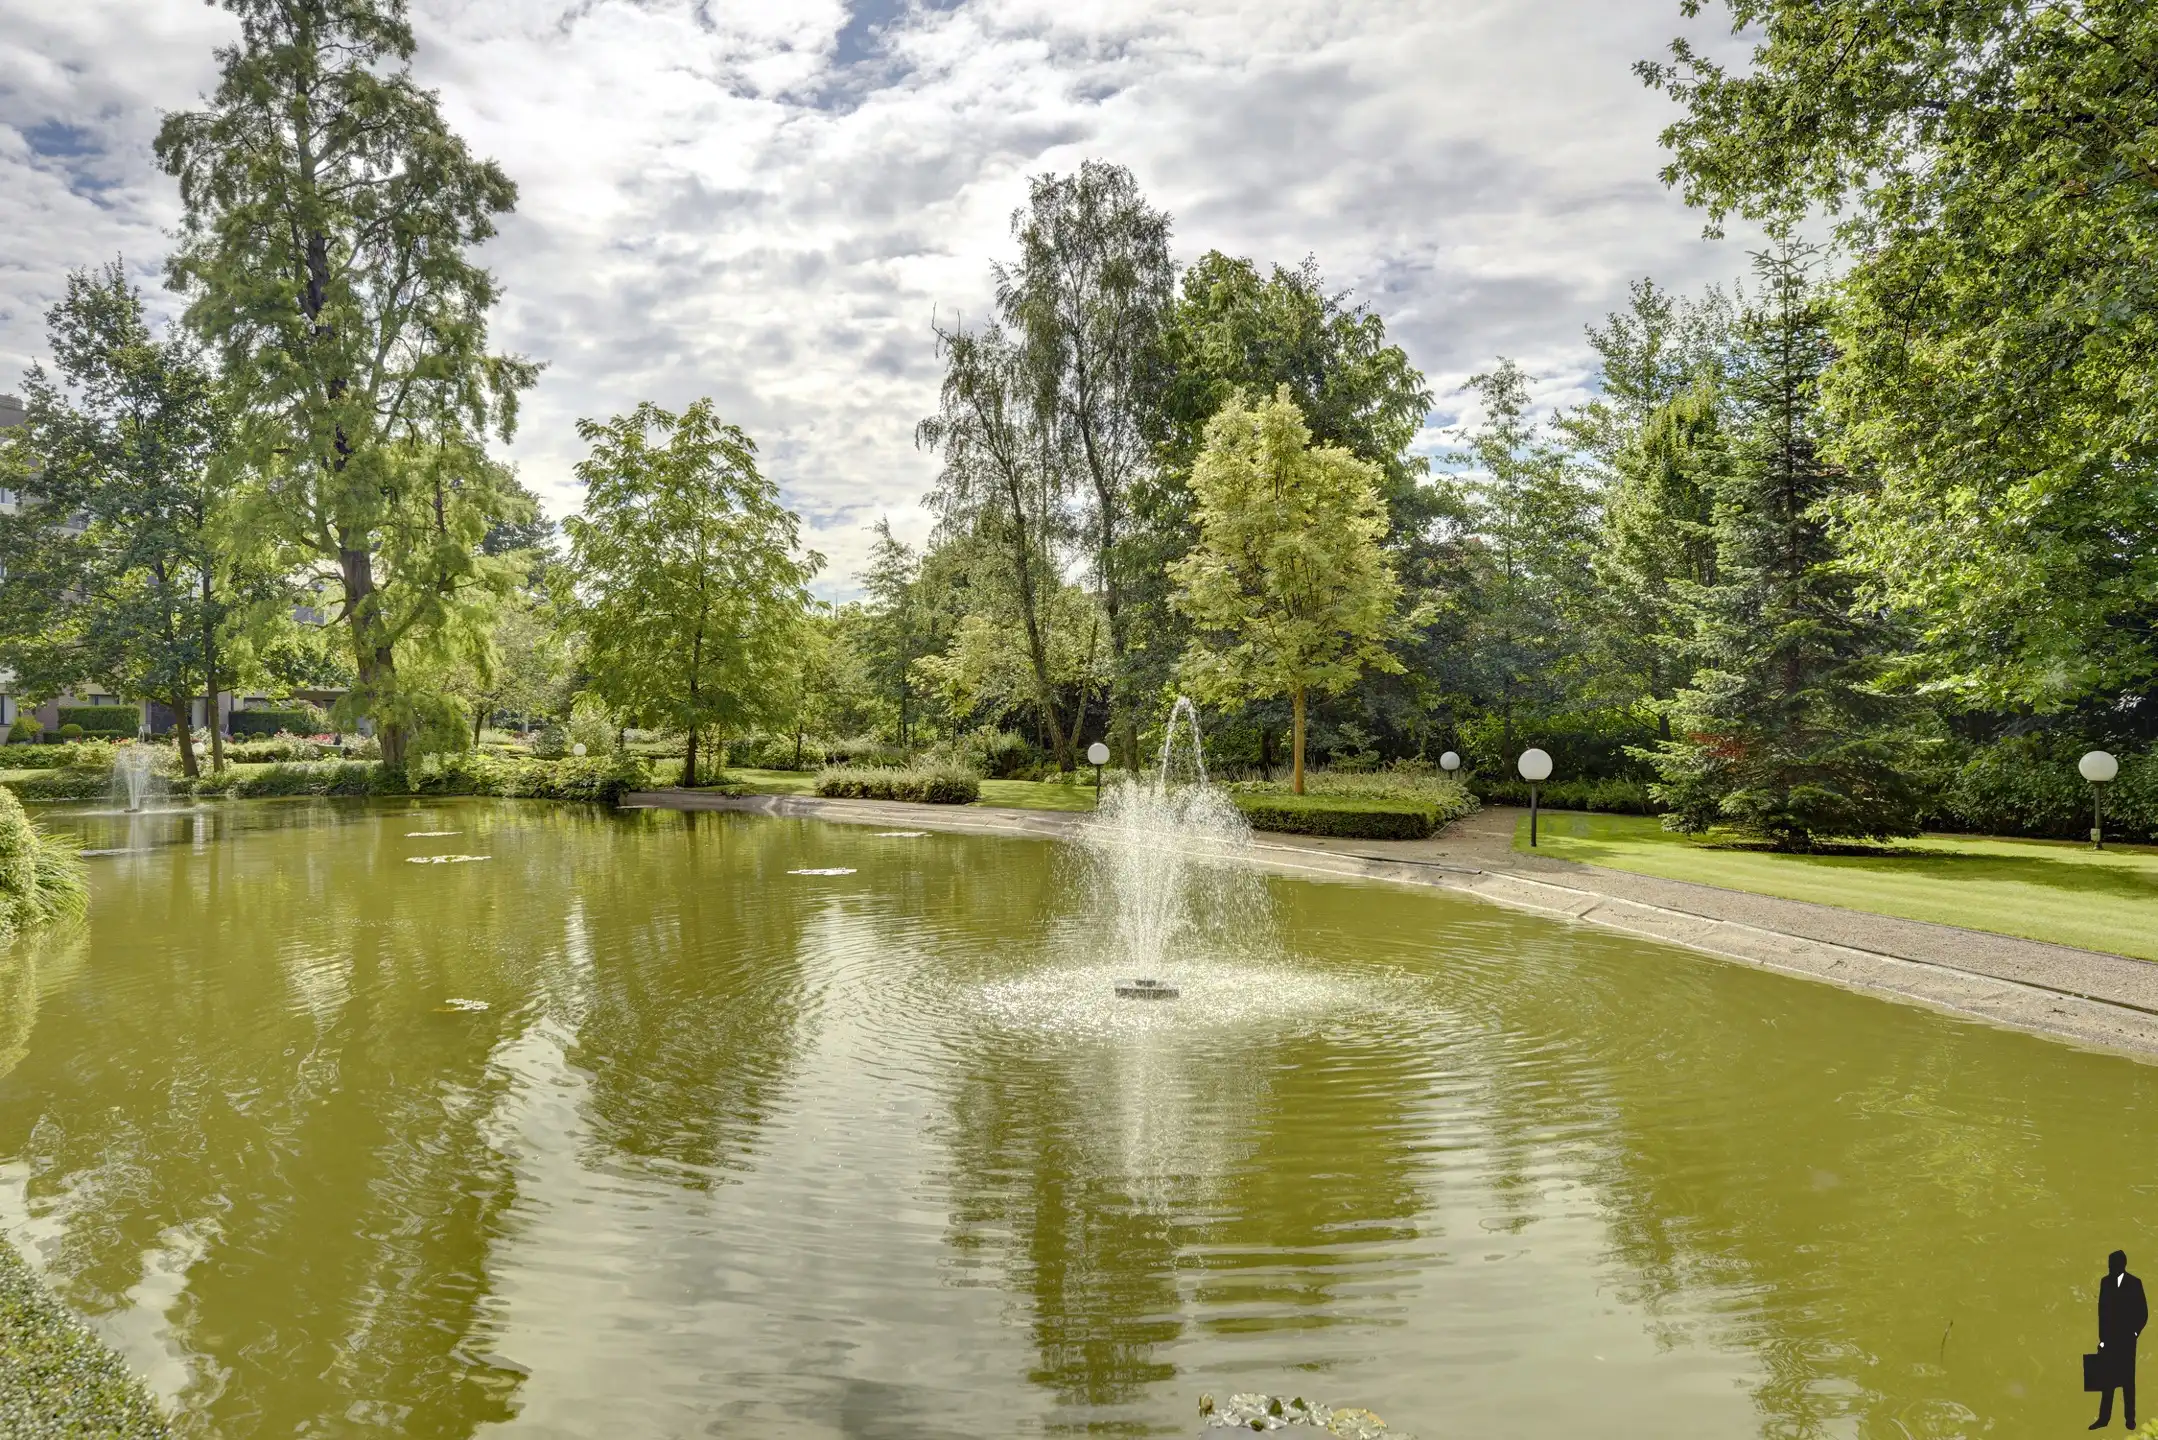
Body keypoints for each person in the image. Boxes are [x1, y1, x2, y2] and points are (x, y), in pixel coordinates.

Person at [2094, 1249, 2148, 1430]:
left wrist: (2134, 1333)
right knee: (2106, 1379)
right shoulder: (2105, 1282)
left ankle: (2129, 1419)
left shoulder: (2134, 1283)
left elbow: (2143, 1312)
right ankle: (2104, 1418)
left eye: (2113, 1264)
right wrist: (2102, 1339)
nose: (2110, 1267)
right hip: (2109, 1339)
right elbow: (2102, 1312)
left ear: (2121, 1264)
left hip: (2126, 1340)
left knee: (2127, 1380)